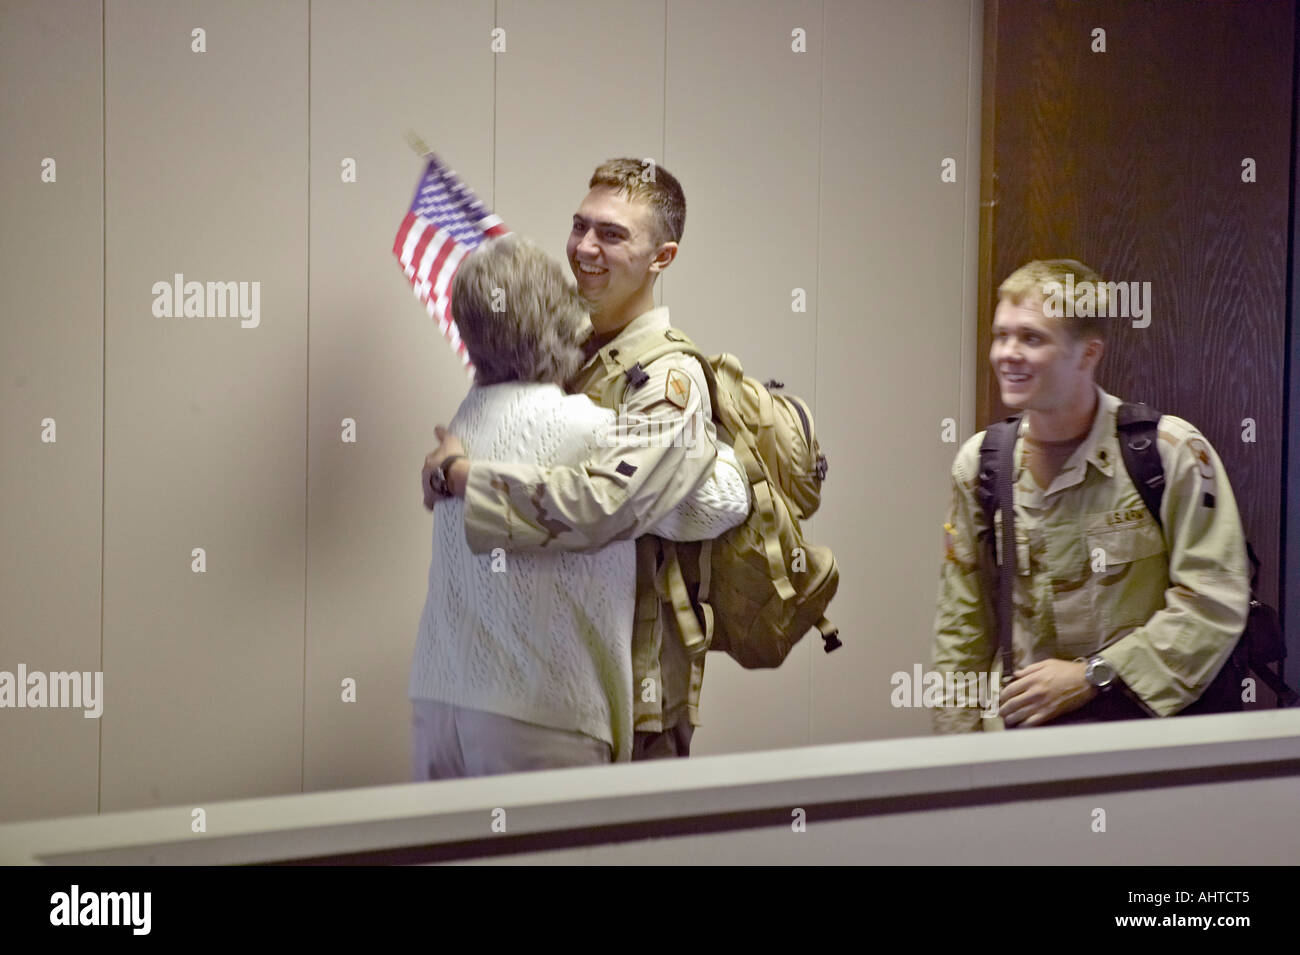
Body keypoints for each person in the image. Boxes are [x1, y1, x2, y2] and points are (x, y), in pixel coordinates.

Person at [409, 233, 747, 778]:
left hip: (437, 703)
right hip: (537, 717)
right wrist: (694, 430)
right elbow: (723, 502)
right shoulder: (587, 429)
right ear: (562, 324)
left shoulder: (461, 421)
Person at [931, 258, 1251, 732]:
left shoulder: (1167, 453)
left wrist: (1094, 676)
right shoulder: (981, 464)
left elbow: (1213, 600)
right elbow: (962, 628)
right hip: (1024, 745)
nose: (1007, 354)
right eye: (1001, 335)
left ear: (1088, 353)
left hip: (1143, 741)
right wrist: (955, 760)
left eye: (1032, 338)